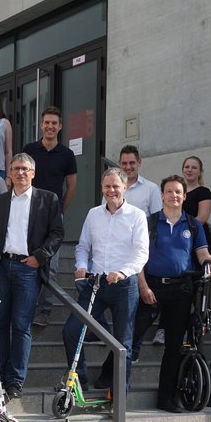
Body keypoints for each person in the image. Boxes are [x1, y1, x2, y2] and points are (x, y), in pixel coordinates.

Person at [132, 175, 211, 413]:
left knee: (173, 347)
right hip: (151, 287)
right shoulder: (149, 221)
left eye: (178, 192)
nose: (174, 195)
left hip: (182, 290)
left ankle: (166, 398)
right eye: (169, 191)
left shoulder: (193, 225)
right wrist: (143, 286)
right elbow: (138, 258)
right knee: (129, 338)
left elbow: (203, 255)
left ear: (184, 196)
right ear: (162, 195)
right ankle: (111, 384)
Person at [62, 168, 148, 393]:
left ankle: (119, 394)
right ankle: (79, 380)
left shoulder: (137, 216)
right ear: (102, 188)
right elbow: (82, 247)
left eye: (115, 186)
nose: (111, 191)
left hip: (124, 286)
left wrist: (123, 271)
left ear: (125, 187)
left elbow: (141, 253)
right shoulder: (93, 214)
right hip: (96, 284)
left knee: (123, 343)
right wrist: (81, 265)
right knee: (71, 330)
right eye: (107, 186)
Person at [0, 153, 64, 399]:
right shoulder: (1, 201)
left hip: (28, 269)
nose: (20, 173)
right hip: (2, 266)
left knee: (21, 326)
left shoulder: (47, 199)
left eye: (25, 169)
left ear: (33, 173)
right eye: (16, 168)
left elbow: (58, 232)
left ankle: (15, 381)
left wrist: (40, 256)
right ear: (9, 173)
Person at [23, 106, 77, 328]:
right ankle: (25, 307)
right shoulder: (29, 150)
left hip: (53, 217)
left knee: (51, 266)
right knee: (25, 261)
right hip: (28, 213)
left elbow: (71, 187)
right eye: (47, 122)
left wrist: (60, 210)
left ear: (60, 126)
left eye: (54, 123)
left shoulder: (66, 154)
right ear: (42, 125)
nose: (50, 126)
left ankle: (43, 311)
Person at [118, 144, 163, 357]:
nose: (128, 167)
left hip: (140, 252)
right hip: (117, 251)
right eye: (124, 163)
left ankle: (132, 348)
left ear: (139, 163)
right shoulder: (113, 186)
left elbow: (156, 223)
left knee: (137, 304)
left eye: (132, 163)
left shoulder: (151, 189)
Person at [182, 156, 211, 256]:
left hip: (199, 240)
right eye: (187, 167)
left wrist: (178, 228)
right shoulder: (178, 193)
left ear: (200, 172)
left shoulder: (204, 192)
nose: (190, 170)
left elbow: (202, 219)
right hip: (180, 239)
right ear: (183, 170)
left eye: (194, 167)